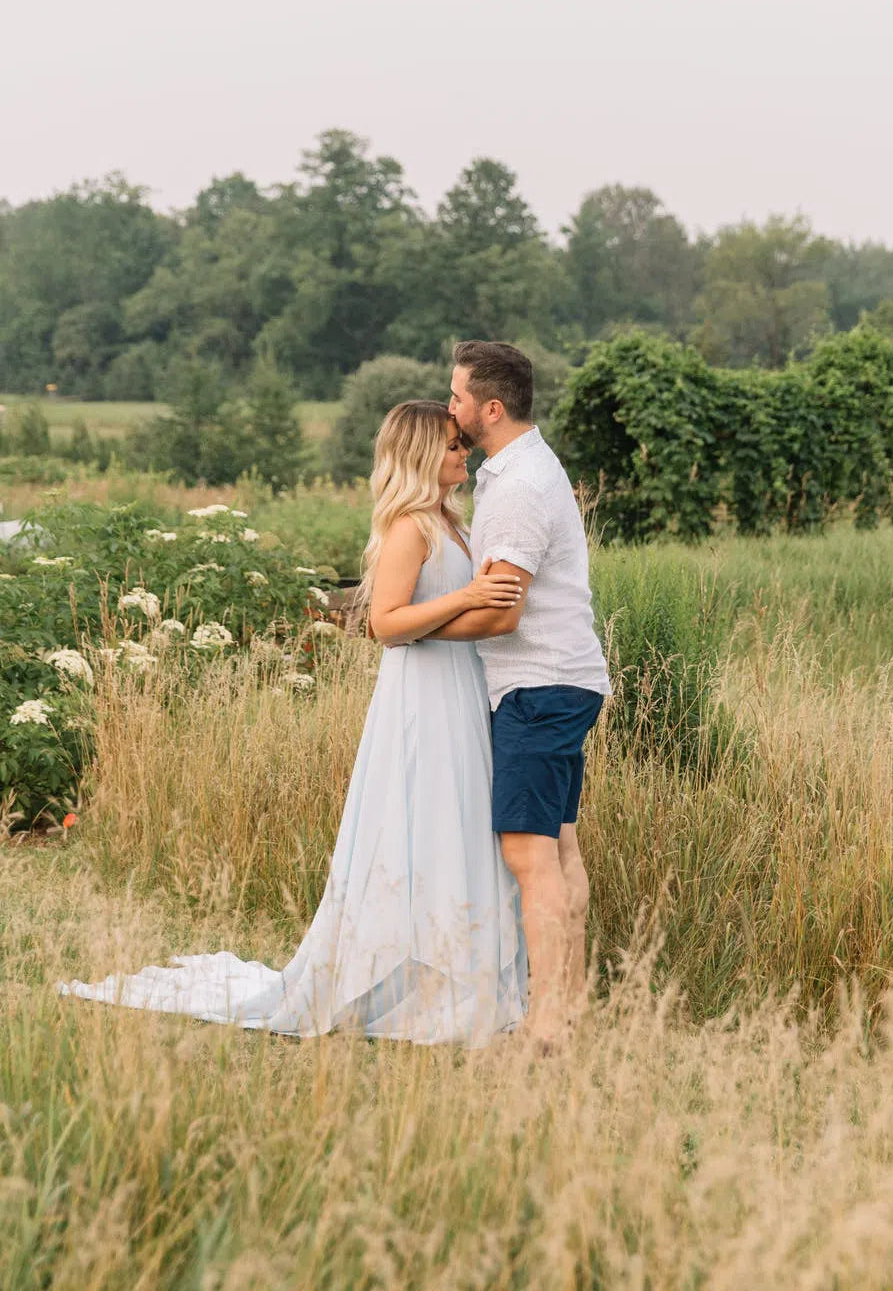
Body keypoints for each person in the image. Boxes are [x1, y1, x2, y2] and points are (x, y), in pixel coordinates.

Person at [59, 402, 529, 1047]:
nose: (464, 453)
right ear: (420, 454)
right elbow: (383, 624)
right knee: (423, 818)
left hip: (460, 688)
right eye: (452, 445)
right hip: (421, 696)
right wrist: (468, 597)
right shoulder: (410, 528)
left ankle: (457, 975)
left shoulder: (452, 521)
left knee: (461, 821)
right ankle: (409, 982)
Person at [434, 341, 611, 1045]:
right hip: (565, 679)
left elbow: (503, 611)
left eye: (456, 398)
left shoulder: (516, 487)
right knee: (560, 846)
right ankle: (567, 1006)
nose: (451, 409)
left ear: (492, 408)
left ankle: (546, 1022)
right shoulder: (530, 467)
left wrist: (412, 630)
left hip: (538, 685)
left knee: (528, 853)